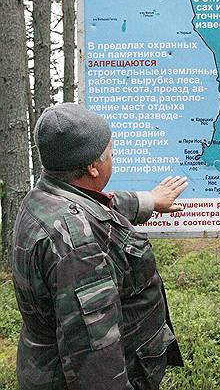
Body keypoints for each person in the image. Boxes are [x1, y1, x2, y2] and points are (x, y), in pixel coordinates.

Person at [12, 103, 188, 390]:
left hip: (41, 367)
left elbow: (93, 205)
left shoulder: (42, 198)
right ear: (93, 168)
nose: (113, 155)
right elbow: (96, 358)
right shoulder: (79, 248)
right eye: (109, 152)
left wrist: (149, 201)